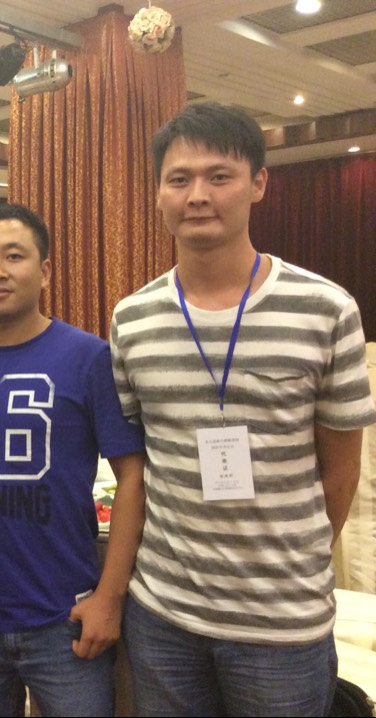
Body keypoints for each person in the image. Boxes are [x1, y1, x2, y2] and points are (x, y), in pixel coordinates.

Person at [110, 101, 376, 716]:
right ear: (158, 195)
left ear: (258, 184)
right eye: (179, 179)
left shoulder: (326, 309)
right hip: (164, 616)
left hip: (282, 625)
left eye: (219, 176)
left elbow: (341, 473)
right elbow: (139, 465)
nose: (197, 195)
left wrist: (288, 566)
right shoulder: (132, 319)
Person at [0, 203, 146, 717]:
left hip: (64, 618)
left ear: (45, 271)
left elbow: (133, 478)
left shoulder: (88, 357)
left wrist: (109, 597)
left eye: (14, 256)